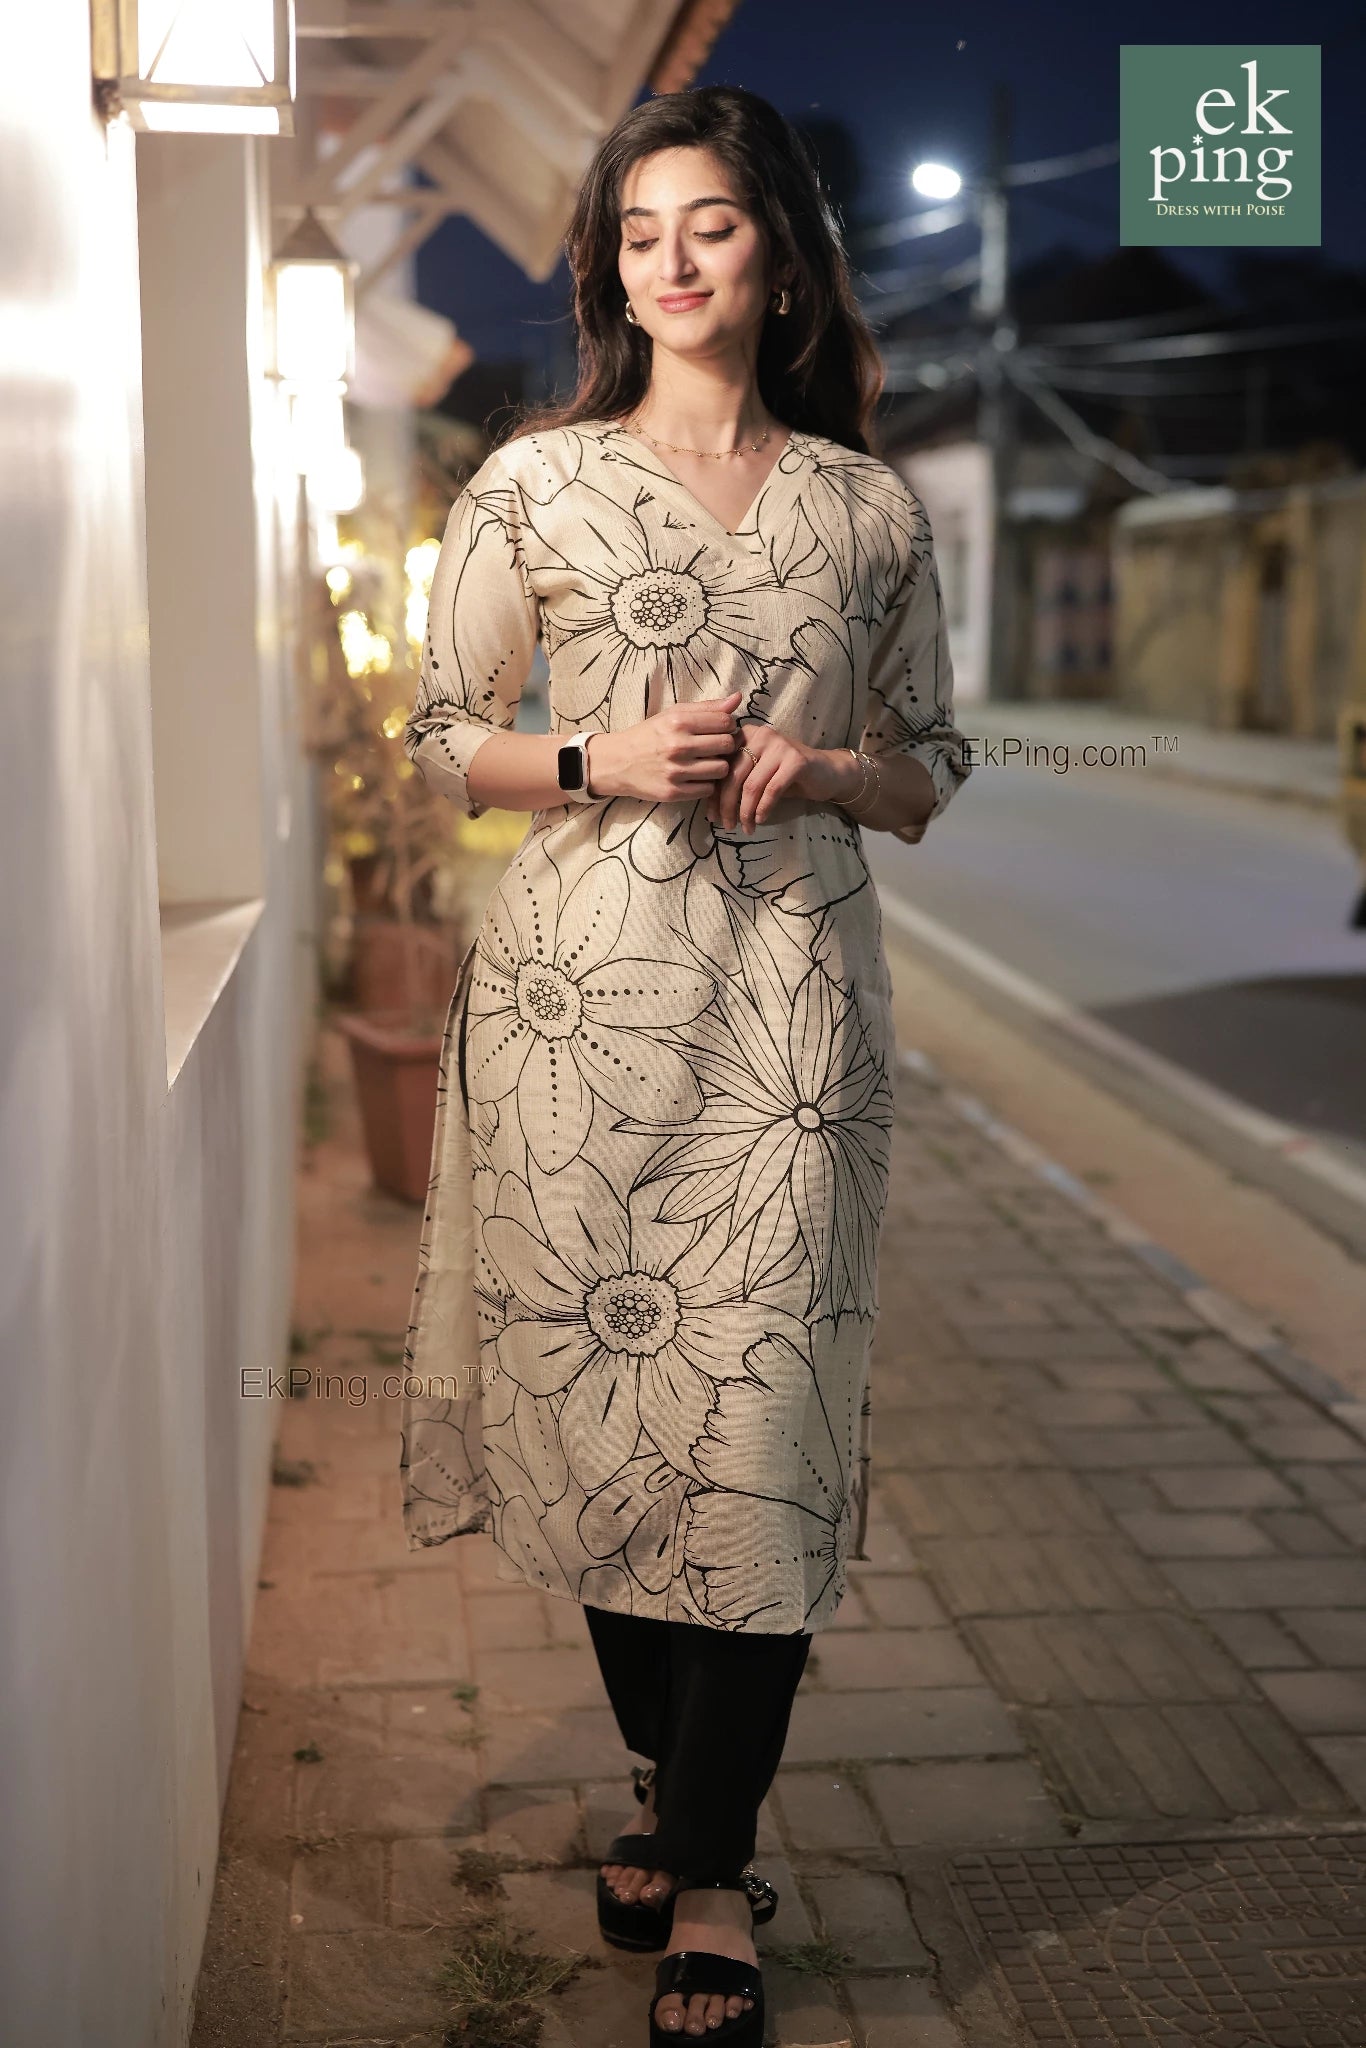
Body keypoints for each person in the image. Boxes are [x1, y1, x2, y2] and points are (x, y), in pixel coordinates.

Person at [397, 83, 972, 2045]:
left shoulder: (866, 507)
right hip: (575, 1014)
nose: (671, 259)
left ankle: (713, 1864)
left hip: (794, 1025)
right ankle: (673, 1784)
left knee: (758, 1434)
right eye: (640, 229)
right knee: (606, 1416)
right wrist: (595, 760)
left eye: (707, 223)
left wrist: (820, 770)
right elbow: (426, 735)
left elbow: (931, 766)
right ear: (608, 262)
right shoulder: (529, 489)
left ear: (775, 248)